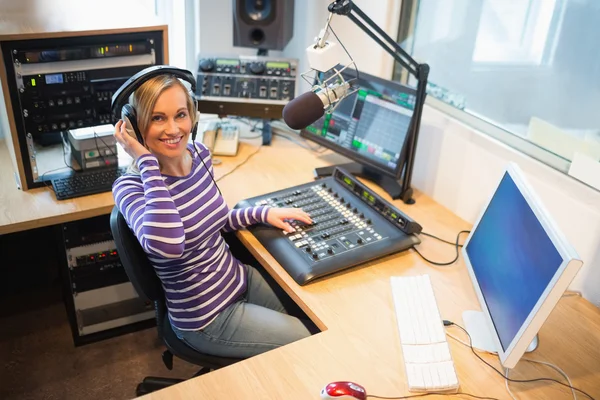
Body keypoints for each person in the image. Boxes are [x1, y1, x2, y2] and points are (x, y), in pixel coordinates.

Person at [112, 73, 316, 359]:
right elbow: (169, 246)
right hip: (207, 319)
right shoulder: (130, 187)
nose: (173, 129)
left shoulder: (198, 154)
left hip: (238, 280)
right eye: (157, 118)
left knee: (320, 320)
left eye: (180, 114)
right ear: (134, 126)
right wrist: (147, 162)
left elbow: (214, 221)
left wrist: (263, 212)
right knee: (312, 345)